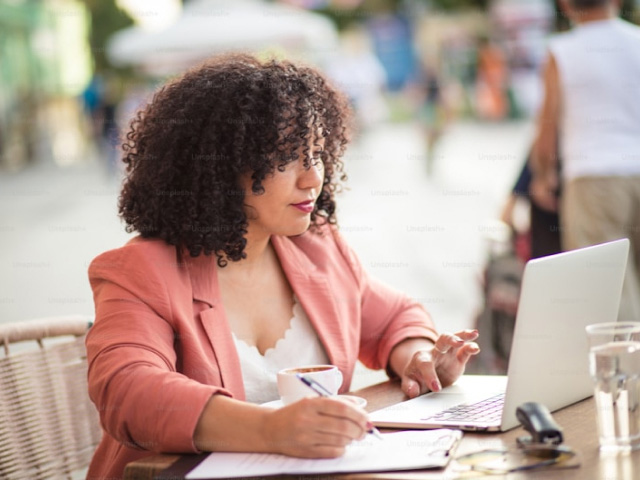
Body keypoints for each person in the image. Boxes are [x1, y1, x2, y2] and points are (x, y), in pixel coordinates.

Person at [84, 53, 480, 479]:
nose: (313, 178)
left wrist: (417, 357)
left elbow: (394, 318)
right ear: (220, 166)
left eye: (317, 152)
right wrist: (271, 429)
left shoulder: (317, 246)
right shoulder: (139, 271)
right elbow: (126, 392)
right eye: (287, 157)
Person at [531, 0, 640, 321]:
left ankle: (626, 370)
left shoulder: (562, 51)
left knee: (608, 288)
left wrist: (543, 174)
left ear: (565, 5)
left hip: (592, 176)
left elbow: (547, 123)